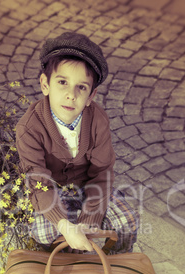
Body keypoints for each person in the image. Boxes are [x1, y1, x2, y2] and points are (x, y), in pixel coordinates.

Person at [16, 32, 139, 253]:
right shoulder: (29, 128)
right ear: (45, 84)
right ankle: (55, 264)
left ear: (91, 95)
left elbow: (102, 172)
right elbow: (38, 180)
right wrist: (65, 225)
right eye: (62, 82)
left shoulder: (97, 121)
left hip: (88, 185)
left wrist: (89, 218)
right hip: (52, 190)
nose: (71, 95)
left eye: (81, 87)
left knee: (127, 220)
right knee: (44, 232)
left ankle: (118, 262)